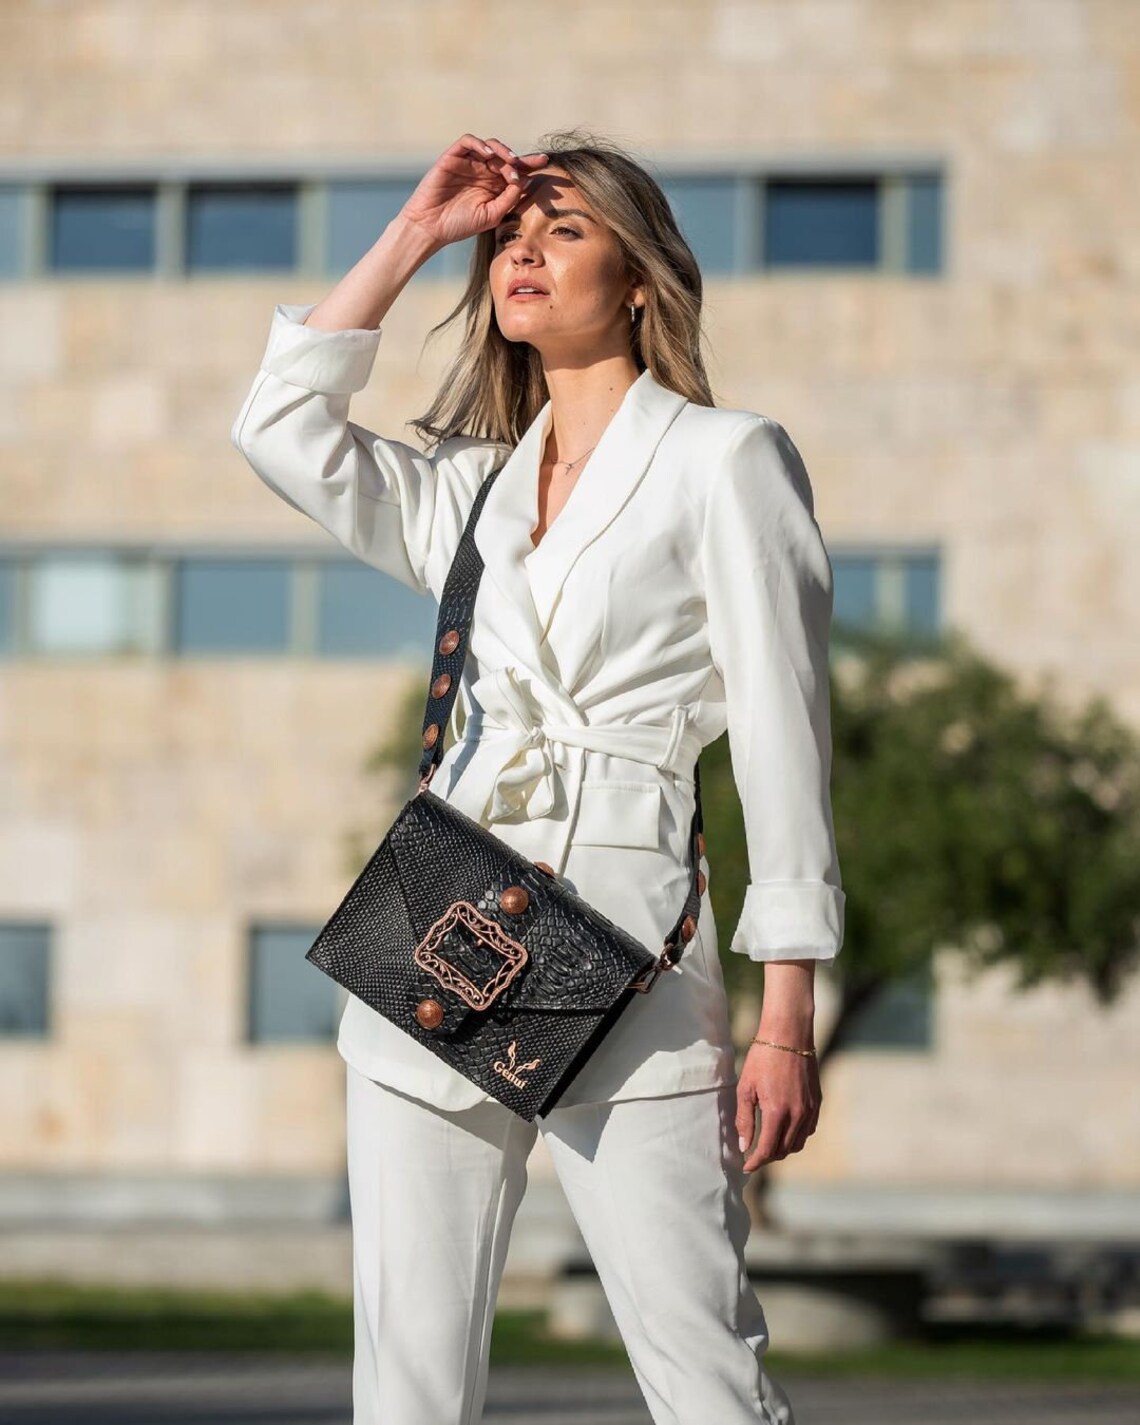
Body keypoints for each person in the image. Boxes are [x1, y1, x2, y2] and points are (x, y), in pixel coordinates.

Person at [230, 127, 845, 1425]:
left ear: (641, 281)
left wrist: (787, 1010)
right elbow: (280, 427)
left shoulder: (726, 460)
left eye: (565, 230)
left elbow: (786, 736)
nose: (524, 253)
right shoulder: (472, 491)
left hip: (632, 944)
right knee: (404, 1382)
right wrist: (415, 233)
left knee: (703, 1371)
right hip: (438, 928)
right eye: (512, 235)